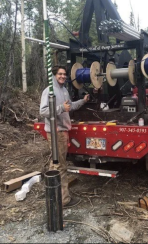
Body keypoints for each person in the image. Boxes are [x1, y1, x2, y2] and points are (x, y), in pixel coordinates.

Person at [40, 65, 89, 208]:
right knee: (60, 166)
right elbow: (43, 111)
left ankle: (52, 193)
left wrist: (83, 101)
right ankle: (63, 200)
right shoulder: (49, 91)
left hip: (63, 132)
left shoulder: (64, 90)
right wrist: (61, 108)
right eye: (60, 74)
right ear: (54, 75)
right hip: (57, 132)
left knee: (55, 164)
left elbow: (70, 106)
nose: (63, 76)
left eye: (64, 74)